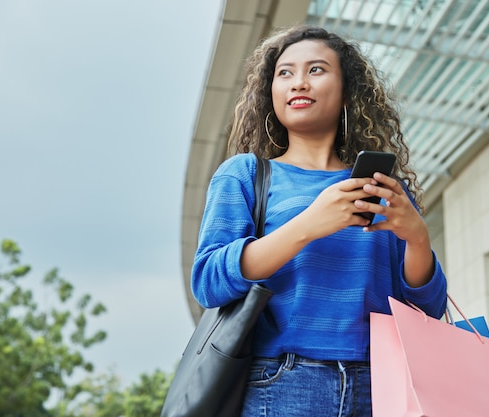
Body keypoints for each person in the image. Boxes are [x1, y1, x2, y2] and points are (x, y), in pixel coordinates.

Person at [191, 25, 448, 417]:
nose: (299, 83)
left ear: (347, 91)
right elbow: (208, 281)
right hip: (281, 383)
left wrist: (417, 239)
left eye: (316, 70)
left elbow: (427, 308)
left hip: (381, 387)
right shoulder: (244, 175)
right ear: (270, 92)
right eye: (285, 73)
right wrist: (309, 224)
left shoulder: (379, 186)